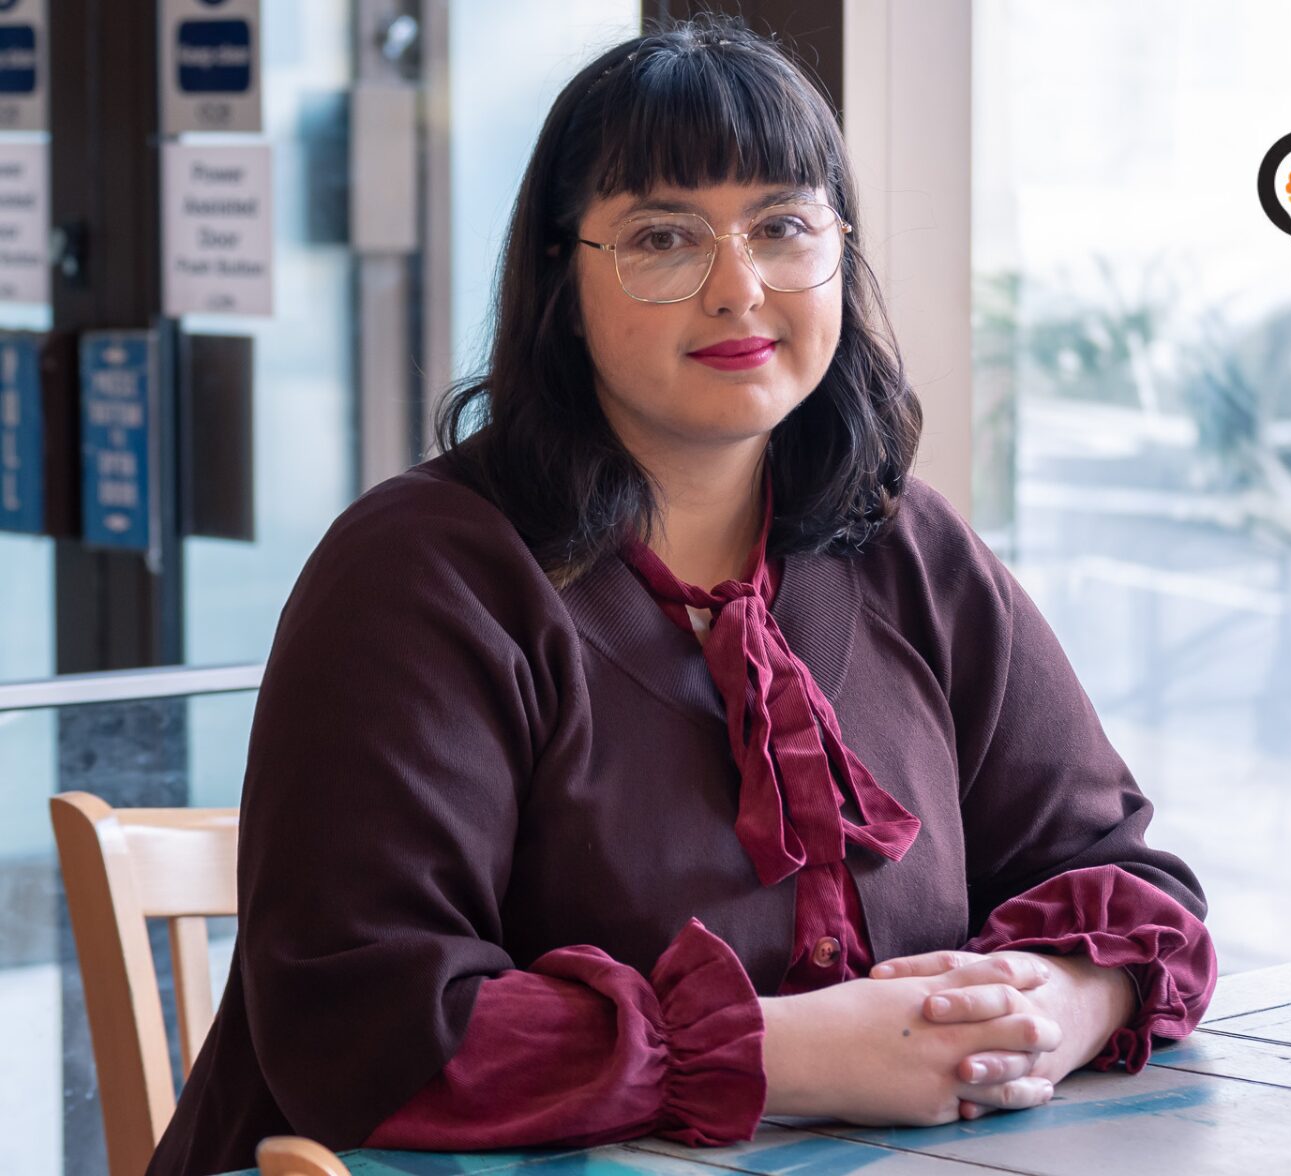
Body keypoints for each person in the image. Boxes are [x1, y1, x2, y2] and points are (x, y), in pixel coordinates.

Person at [146, 16, 1214, 1176]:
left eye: (783, 227)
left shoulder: (909, 544)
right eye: (663, 238)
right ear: (563, 283)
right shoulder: (421, 574)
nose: (737, 288)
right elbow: (367, 1026)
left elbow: (1121, 876)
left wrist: (1055, 1003)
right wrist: (789, 1053)